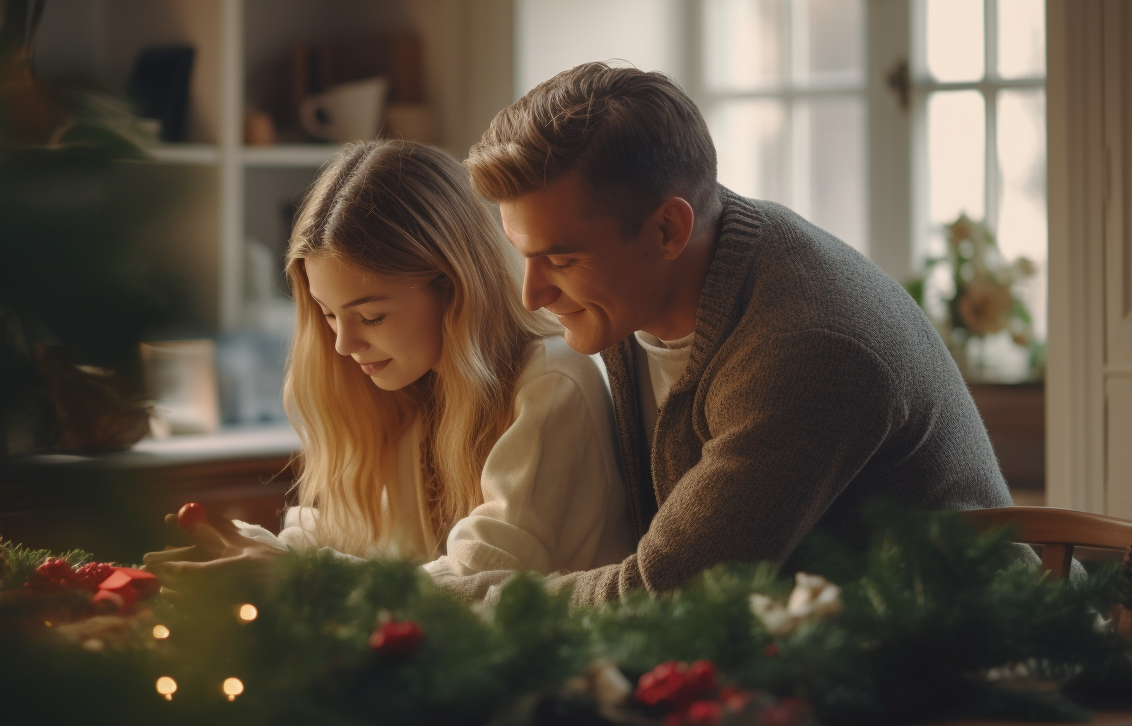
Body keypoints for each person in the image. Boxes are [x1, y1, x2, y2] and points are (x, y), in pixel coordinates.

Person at [431, 61, 1017, 605]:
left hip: (974, 668)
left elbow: (668, 597)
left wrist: (451, 602)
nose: (533, 294)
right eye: (524, 256)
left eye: (561, 260)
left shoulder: (802, 345)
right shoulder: (633, 297)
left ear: (667, 229)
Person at [145, 140, 635, 587]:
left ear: (453, 285)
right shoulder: (411, 392)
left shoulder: (551, 382)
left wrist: (299, 572)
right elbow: (350, 541)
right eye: (329, 315)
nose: (343, 344)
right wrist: (252, 549)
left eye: (371, 316)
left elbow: (481, 580)